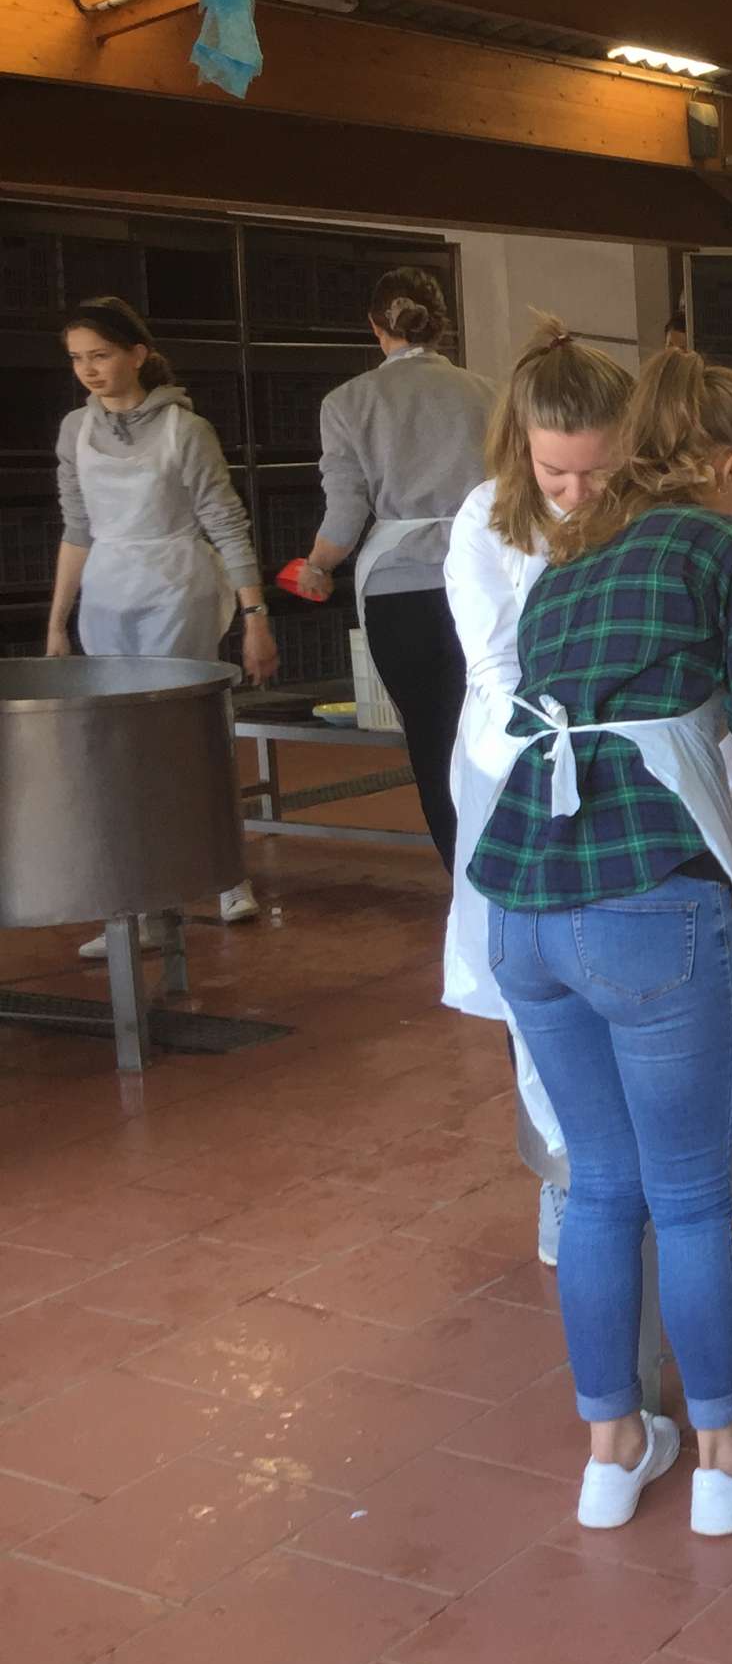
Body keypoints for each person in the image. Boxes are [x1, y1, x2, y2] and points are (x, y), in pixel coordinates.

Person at [454, 349, 732, 1538]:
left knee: (599, 1183)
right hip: (645, 905)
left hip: (522, 903)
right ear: (728, 465)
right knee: (688, 1193)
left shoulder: (568, 561)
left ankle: (612, 1453)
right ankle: (724, 1456)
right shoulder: (731, 550)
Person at [440, 315, 635, 1270]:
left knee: (628, 970)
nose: (577, 492)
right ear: (520, 446)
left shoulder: (644, 513)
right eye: (556, 472)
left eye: (597, 470)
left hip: (624, 764)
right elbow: (494, 667)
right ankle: (566, 1177)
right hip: (514, 767)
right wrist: (567, 737)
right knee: (541, 989)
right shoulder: (486, 520)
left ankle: (635, 1169)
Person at [49, 295, 272, 951]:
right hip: (106, 594)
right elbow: (77, 528)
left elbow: (226, 523)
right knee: (116, 749)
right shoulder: (75, 430)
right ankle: (135, 902)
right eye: (77, 359)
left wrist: (256, 616)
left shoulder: (185, 429)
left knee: (186, 734)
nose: (89, 369)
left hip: (178, 588)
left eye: (101, 355)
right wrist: (58, 621)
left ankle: (225, 872)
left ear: (138, 354)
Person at [292, 269, 498, 870]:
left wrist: (317, 565)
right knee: (495, 731)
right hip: (483, 581)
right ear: (442, 324)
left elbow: (345, 511)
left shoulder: (347, 402)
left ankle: (464, 880)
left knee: (432, 743)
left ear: (375, 327)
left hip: (398, 591)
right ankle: (512, 868)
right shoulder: (493, 393)